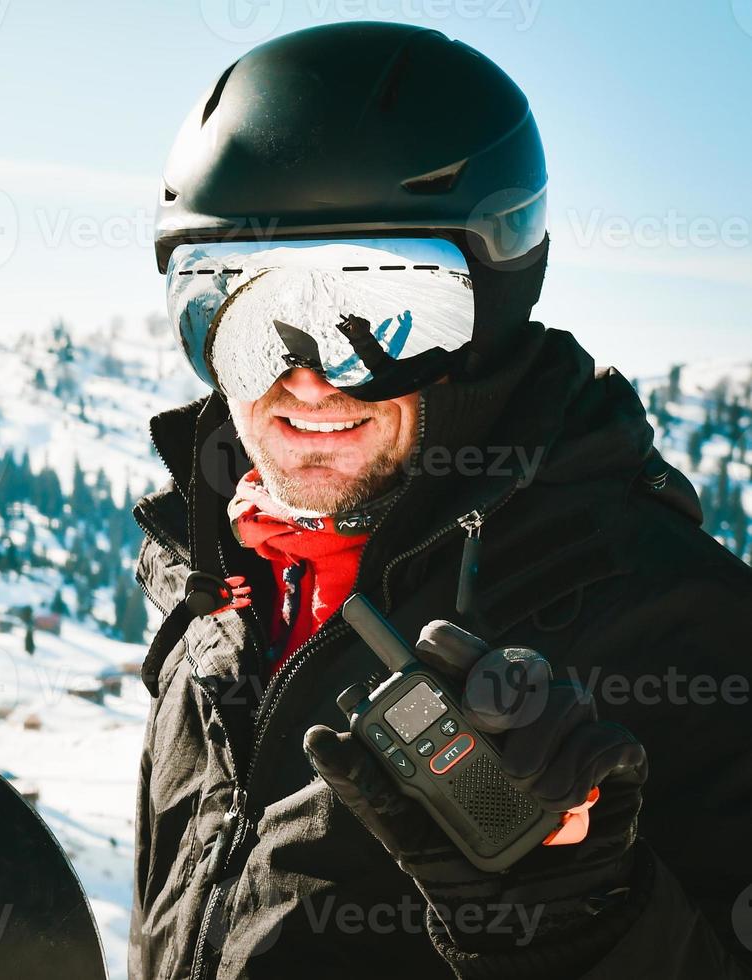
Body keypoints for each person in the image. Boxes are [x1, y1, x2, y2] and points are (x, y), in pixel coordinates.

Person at [129, 21, 752, 980]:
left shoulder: (679, 625)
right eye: (236, 307)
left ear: (491, 313)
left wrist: (574, 921)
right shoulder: (210, 578)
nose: (302, 381)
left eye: (375, 314)